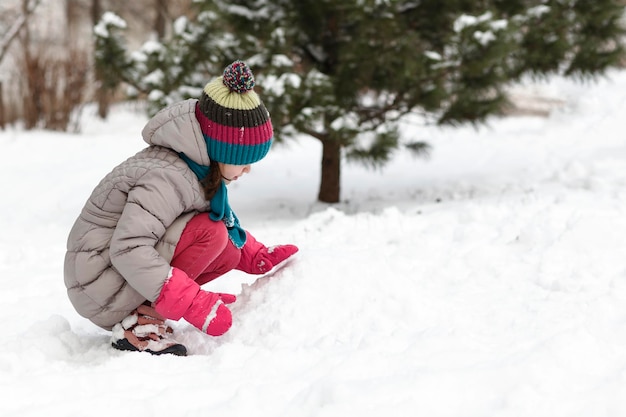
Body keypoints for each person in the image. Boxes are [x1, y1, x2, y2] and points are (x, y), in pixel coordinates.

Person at [64, 61, 298, 356]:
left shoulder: (191, 168)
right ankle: (140, 322)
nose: (248, 169)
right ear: (221, 150)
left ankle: (152, 308)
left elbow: (218, 223)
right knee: (210, 233)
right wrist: (191, 301)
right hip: (97, 280)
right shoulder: (165, 177)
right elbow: (129, 247)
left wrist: (253, 255)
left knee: (223, 245)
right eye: (244, 159)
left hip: (113, 271)